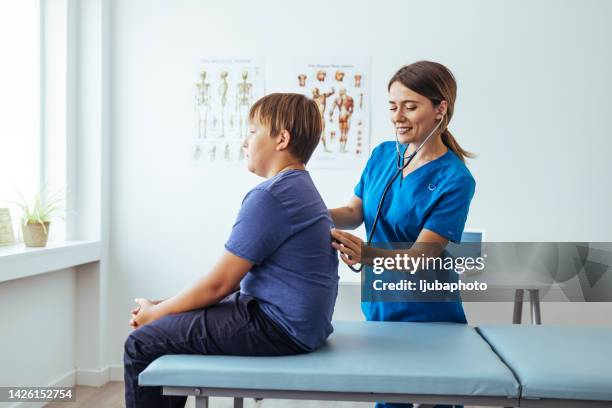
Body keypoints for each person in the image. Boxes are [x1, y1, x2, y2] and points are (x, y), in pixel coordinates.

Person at [124, 93, 339, 408]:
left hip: (279, 327)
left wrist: (155, 315)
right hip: (298, 324)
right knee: (166, 324)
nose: (244, 141)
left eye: (253, 132)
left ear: (282, 138)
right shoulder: (299, 187)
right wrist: (167, 306)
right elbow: (230, 282)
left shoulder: (272, 195)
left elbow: (219, 284)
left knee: (141, 342)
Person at [329, 61, 476, 408]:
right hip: (380, 307)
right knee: (388, 400)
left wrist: (366, 256)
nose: (399, 116)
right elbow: (353, 213)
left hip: (428, 315)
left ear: (441, 109)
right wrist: (307, 211)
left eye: (410, 106)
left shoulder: (456, 179)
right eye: (393, 106)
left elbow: (422, 256)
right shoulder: (382, 155)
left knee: (438, 401)